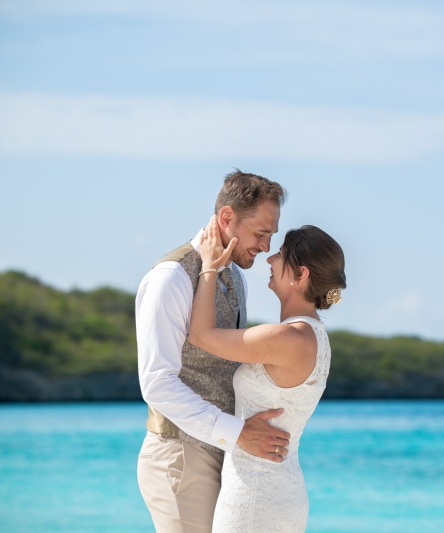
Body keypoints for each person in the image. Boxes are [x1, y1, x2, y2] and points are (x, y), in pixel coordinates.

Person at [136, 171, 292, 533]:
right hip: (180, 457)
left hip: (222, 451)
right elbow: (157, 384)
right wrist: (236, 432)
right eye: (260, 234)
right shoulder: (170, 278)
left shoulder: (234, 277)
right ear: (226, 218)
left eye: (271, 235)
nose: (266, 247)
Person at [189, 216, 347, 532]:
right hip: (278, 490)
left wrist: (209, 267)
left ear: (301, 274)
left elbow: (201, 336)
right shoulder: (314, 336)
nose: (270, 257)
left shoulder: (287, 338)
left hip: (254, 498)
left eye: (282, 254)